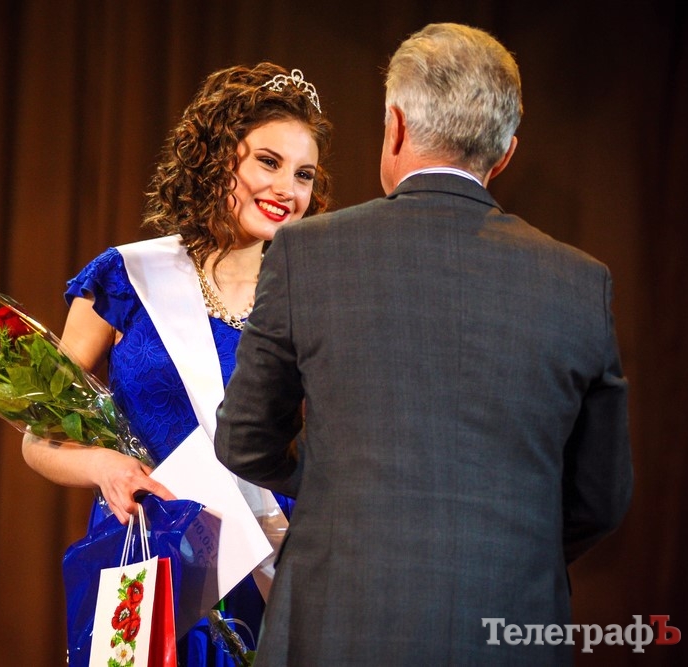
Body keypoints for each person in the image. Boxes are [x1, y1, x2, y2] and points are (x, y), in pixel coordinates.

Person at [214, 23, 633, 666]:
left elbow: (245, 439)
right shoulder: (581, 283)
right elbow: (601, 499)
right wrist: (510, 545)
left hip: (335, 625)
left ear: (396, 127)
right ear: (505, 154)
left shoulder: (306, 253)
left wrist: (339, 489)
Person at [21, 62, 333, 663]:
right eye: (268, 162)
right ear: (218, 159)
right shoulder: (126, 278)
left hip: (272, 555)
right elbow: (39, 438)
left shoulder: (314, 298)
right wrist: (105, 466)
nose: (286, 189)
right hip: (150, 551)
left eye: (303, 174)